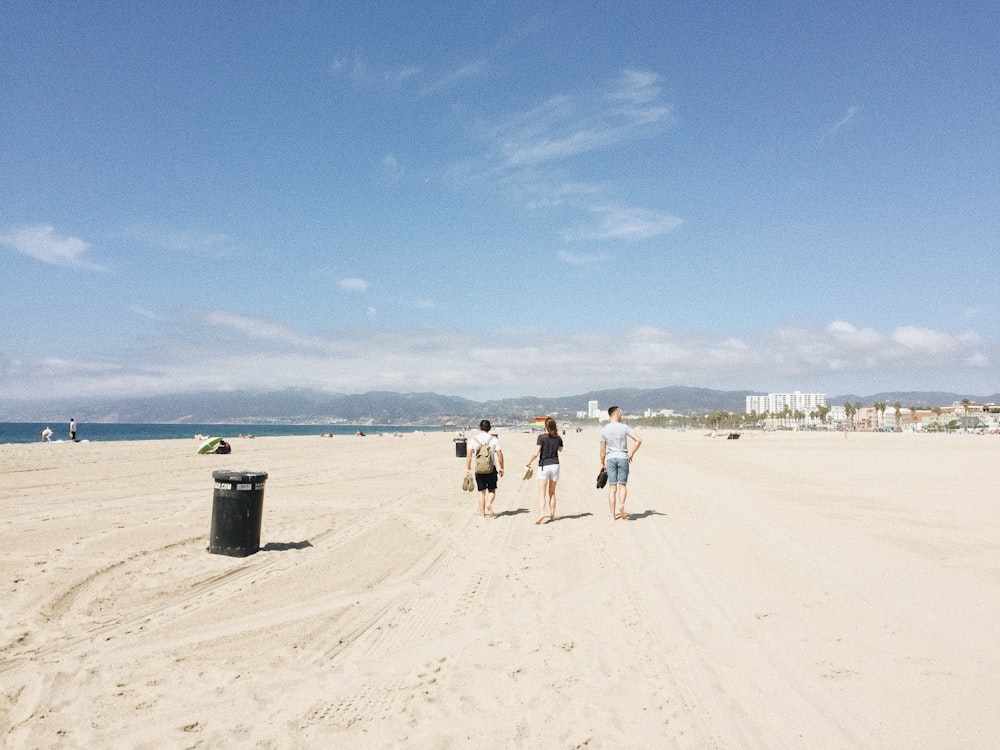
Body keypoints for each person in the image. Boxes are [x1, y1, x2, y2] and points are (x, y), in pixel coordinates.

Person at [599, 406, 642, 520]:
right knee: (622, 484)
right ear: (616, 414)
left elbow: (602, 450)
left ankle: (613, 515)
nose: (621, 415)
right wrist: (631, 453)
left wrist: (602, 463)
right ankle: (621, 505)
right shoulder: (624, 427)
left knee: (612, 487)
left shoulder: (604, 430)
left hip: (610, 459)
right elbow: (638, 440)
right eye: (621, 413)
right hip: (623, 457)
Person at [525, 416, 564, 525]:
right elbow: (560, 450)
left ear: (545, 426)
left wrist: (529, 462)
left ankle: (542, 513)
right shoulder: (558, 438)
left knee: (542, 493)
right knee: (552, 493)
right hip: (555, 465)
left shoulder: (541, 437)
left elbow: (536, 453)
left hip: (544, 466)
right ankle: (552, 515)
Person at [465, 419, 504, 518]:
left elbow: (469, 456)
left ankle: (482, 515)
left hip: (479, 469)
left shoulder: (474, 439)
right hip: (491, 469)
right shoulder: (493, 439)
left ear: (480, 427)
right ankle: (489, 503)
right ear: (489, 428)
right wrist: (502, 468)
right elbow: (500, 455)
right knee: (492, 490)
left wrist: (468, 468)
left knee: (481, 492)